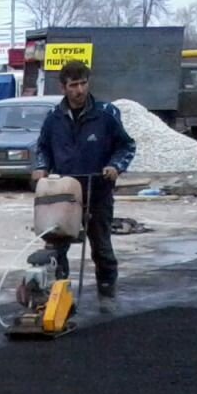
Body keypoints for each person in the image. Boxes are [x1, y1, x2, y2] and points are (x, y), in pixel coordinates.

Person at [33, 60, 136, 309]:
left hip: (97, 189)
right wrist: (41, 167)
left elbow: (126, 145)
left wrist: (115, 166)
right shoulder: (54, 118)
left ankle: (106, 292)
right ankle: (61, 295)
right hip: (64, 193)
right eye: (73, 85)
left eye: (83, 84)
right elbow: (42, 147)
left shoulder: (105, 114)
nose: (79, 90)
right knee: (56, 246)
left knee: (101, 246)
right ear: (63, 87)